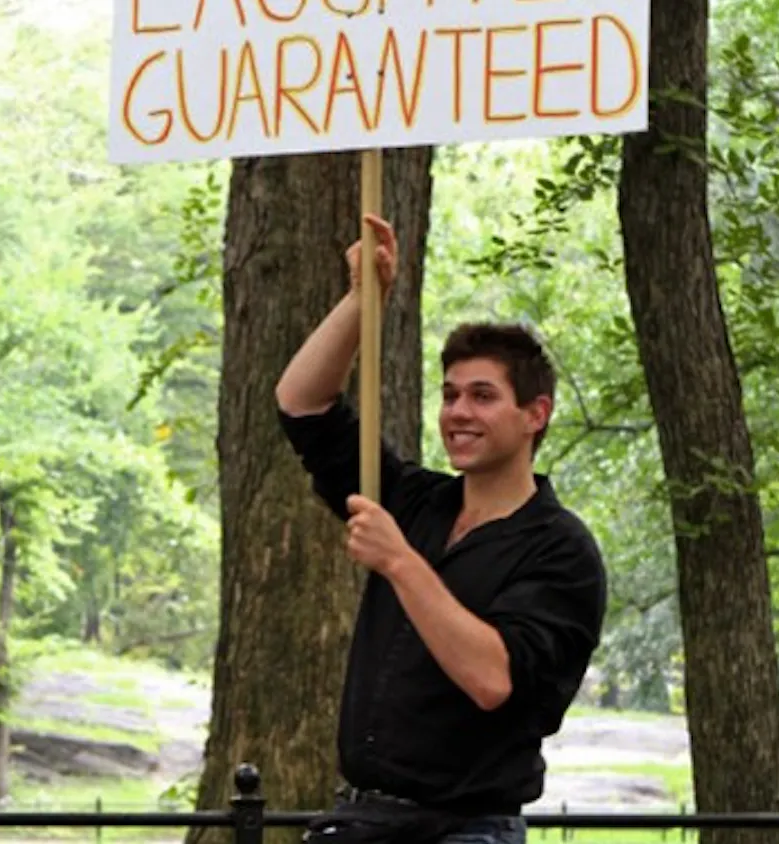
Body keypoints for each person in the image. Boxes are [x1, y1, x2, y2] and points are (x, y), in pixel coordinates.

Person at [275, 214, 608, 844]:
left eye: (482, 396)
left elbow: (493, 680)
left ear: (536, 414)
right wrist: (362, 302)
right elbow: (302, 404)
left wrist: (400, 562)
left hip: (467, 831)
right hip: (362, 820)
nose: (458, 412)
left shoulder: (562, 552)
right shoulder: (415, 500)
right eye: (450, 395)